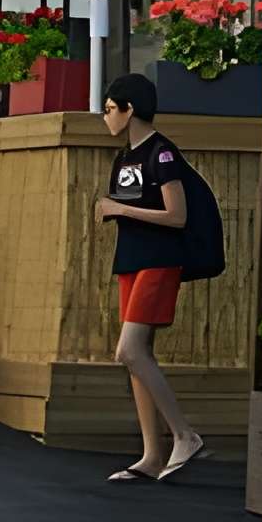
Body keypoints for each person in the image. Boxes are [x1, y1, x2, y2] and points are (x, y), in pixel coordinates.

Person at [96, 72, 206, 482]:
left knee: (129, 351)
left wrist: (119, 209)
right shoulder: (125, 157)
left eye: (110, 109)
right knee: (137, 357)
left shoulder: (162, 154)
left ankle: (185, 435)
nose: (106, 117)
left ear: (130, 110)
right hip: (131, 260)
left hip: (159, 259)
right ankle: (152, 455)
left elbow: (177, 216)